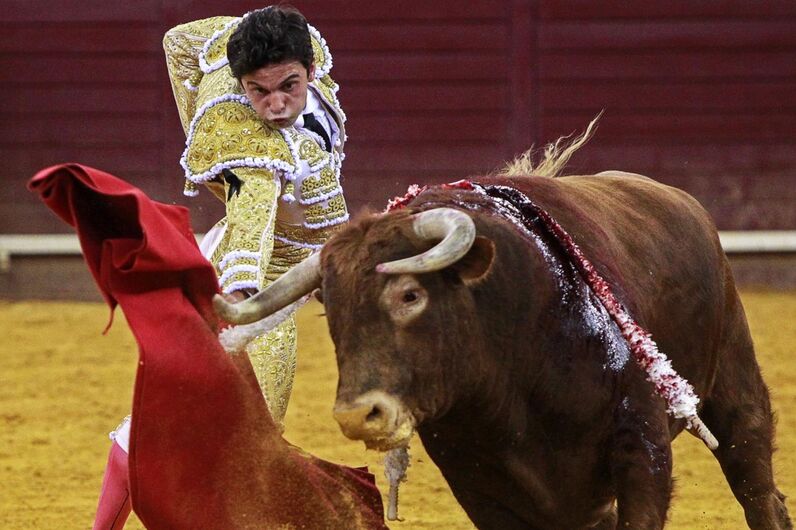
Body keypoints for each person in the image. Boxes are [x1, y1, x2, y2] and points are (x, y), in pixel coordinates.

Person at [91, 7, 350, 528]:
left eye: (288, 87)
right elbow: (252, 225)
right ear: (241, 85)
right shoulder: (249, 146)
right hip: (259, 286)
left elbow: (176, 40)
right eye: (258, 92)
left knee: (215, 418)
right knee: (254, 425)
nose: (276, 106)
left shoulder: (248, 49)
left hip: (308, 261)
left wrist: (194, 121)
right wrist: (242, 299)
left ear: (310, 66)